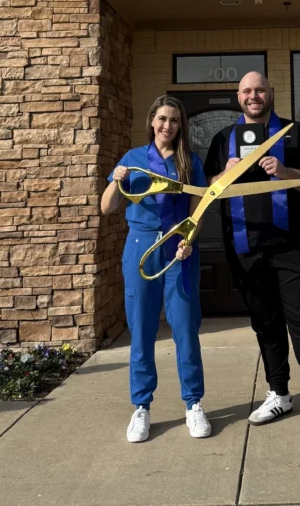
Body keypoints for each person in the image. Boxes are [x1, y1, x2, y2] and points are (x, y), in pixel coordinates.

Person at [204, 72, 300, 434]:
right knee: (266, 324)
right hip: (245, 247)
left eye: (259, 90)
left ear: (270, 93)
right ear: (238, 97)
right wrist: (223, 176)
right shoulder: (223, 139)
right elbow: (208, 189)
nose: (253, 96)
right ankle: (279, 394)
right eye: (247, 91)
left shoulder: (295, 132)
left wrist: (285, 171)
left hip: (292, 246)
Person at [101, 95, 211, 443]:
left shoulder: (190, 161)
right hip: (141, 246)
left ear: (181, 125)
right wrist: (116, 180)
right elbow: (107, 207)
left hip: (179, 250)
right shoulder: (132, 159)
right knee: (142, 328)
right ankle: (141, 407)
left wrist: (189, 240)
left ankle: (193, 404)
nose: (168, 126)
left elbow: (197, 211)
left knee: (185, 328)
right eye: (162, 118)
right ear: (152, 121)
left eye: (174, 120)